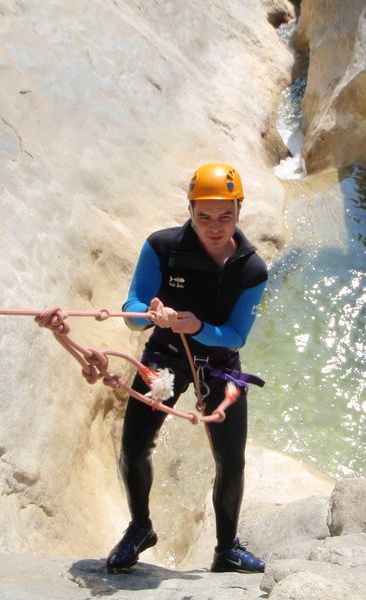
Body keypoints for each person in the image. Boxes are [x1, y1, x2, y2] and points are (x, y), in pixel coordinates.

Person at [106, 163, 268, 574]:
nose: (215, 227)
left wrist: (198, 328)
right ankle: (140, 528)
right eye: (204, 217)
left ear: (239, 209)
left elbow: (234, 335)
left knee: (231, 460)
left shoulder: (252, 269)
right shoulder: (162, 247)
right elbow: (132, 309)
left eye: (225, 216)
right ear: (190, 210)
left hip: (218, 363)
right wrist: (150, 315)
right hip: (164, 354)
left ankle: (226, 548)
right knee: (132, 449)